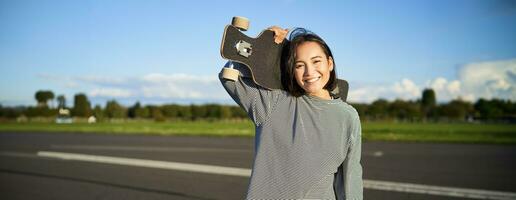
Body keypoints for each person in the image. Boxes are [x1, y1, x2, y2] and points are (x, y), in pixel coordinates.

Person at [219, 26, 363, 200]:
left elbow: (350, 180)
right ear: (291, 69)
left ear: (330, 63)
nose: (310, 72)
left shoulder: (348, 116)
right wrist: (263, 49)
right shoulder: (273, 102)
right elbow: (230, 76)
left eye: (316, 61)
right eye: (299, 65)